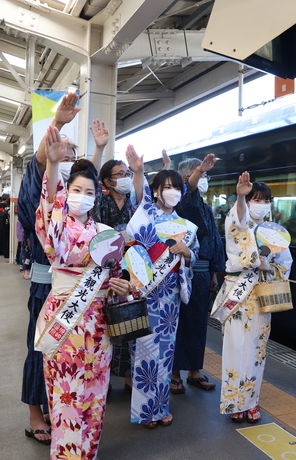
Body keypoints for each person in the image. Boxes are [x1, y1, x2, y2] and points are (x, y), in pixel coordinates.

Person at [18, 91, 109, 445]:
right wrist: (54, 144)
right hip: (57, 299)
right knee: (48, 366)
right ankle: (40, 417)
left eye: (73, 156)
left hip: (94, 318)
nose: (68, 159)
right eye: (63, 156)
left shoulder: (95, 226)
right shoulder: (51, 212)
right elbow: (49, 197)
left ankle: (86, 447)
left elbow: (88, 186)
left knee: (92, 391)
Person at [34, 124, 131, 459]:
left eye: (89, 192)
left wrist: (123, 285)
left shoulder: (103, 232)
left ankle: (87, 454)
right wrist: (51, 164)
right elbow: (50, 201)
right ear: (66, 191)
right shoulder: (56, 220)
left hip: (97, 325)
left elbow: (118, 275)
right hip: (66, 321)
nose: (83, 196)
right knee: (67, 396)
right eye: (76, 190)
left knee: (93, 395)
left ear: (96, 196)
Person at [125, 146, 199, 428]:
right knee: (144, 352)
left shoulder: (185, 225)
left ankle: (161, 406)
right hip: (145, 292)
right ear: (155, 191)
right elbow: (139, 197)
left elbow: (195, 255)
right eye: (166, 187)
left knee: (165, 355)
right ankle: (145, 412)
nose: (172, 192)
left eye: (176, 187)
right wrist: (138, 171)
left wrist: (187, 253)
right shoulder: (146, 212)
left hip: (169, 298)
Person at [211, 172, 292, 423]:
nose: (261, 204)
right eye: (255, 199)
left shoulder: (274, 232)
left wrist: (271, 268)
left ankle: (251, 401)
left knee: (257, 350)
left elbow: (285, 264)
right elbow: (238, 227)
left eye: (265, 200)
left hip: (261, 297)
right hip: (238, 294)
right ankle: (235, 402)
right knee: (235, 348)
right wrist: (240, 196)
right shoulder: (236, 218)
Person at [170, 154, 225, 394]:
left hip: (202, 273)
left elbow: (214, 239)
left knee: (198, 323)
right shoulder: (181, 202)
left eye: (205, 175)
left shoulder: (207, 207)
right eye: (201, 174)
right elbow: (188, 195)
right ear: (187, 179)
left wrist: (214, 270)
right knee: (180, 322)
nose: (205, 179)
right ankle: (174, 372)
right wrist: (196, 174)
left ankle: (194, 370)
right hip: (182, 271)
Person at [94, 157, 145, 390]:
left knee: (129, 320)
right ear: (106, 180)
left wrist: (139, 170)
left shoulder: (135, 203)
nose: (125, 178)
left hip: (130, 269)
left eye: (127, 174)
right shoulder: (100, 203)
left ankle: (128, 376)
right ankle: (103, 376)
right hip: (105, 271)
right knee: (105, 322)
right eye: (120, 174)